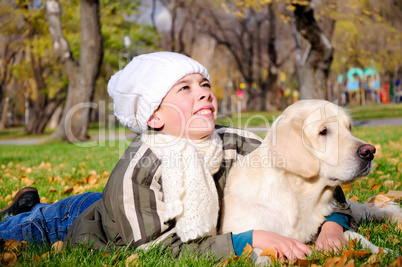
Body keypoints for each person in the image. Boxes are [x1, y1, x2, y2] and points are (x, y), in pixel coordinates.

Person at [0, 52, 355, 262]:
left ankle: (28, 205)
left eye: (205, 86)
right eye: (185, 89)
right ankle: (22, 214)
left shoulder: (234, 142)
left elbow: (309, 175)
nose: (203, 94)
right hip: (91, 223)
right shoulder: (140, 168)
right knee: (22, 229)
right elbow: (159, 251)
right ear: (154, 117)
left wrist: (333, 224)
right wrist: (246, 240)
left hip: (134, 209)